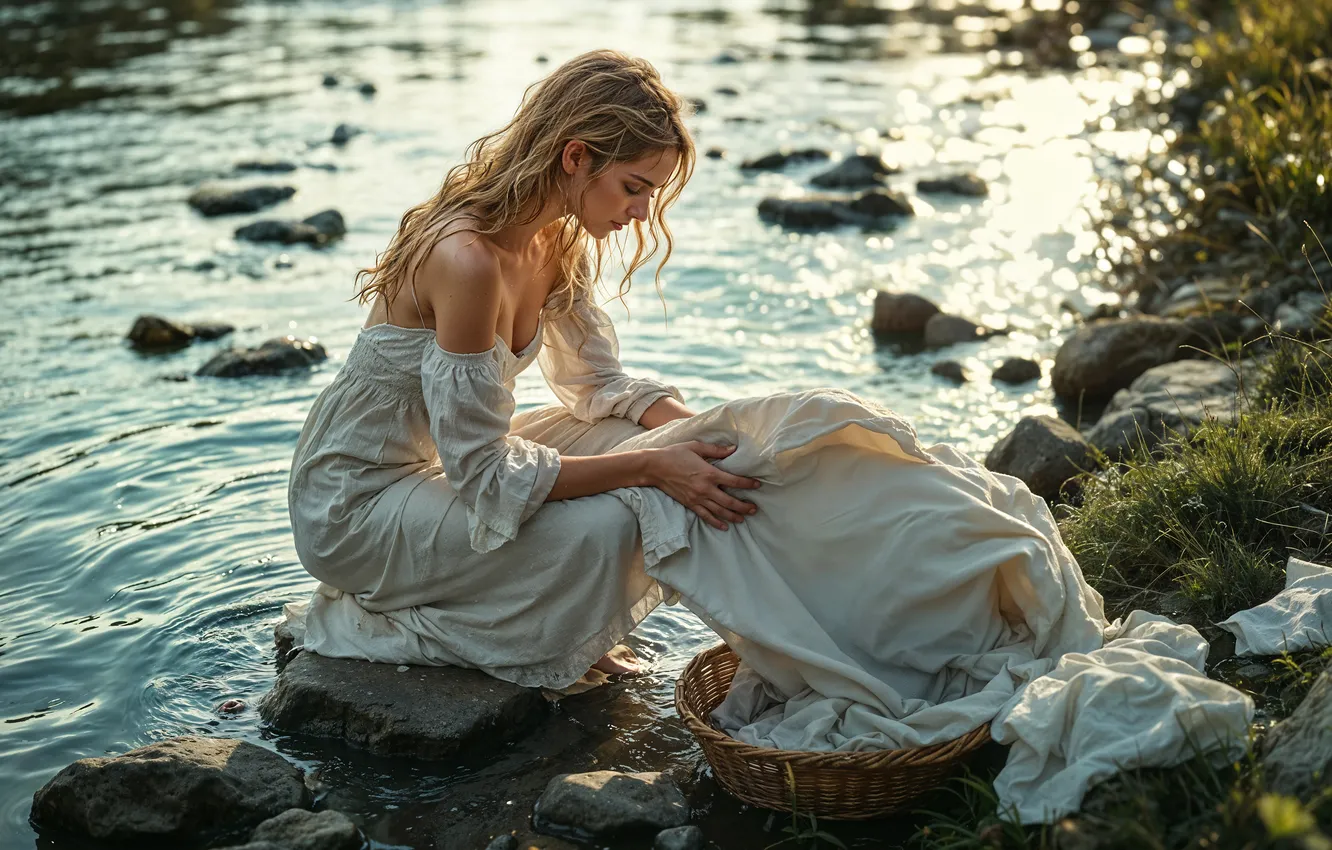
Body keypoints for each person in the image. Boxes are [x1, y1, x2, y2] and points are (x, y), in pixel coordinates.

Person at [288, 49, 759, 688]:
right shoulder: (467, 259)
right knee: (615, 517)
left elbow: (595, 386)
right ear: (576, 157)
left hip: (439, 468)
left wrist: (710, 442)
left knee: (648, 448)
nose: (642, 213)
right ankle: (471, 625)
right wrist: (654, 465)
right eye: (633, 186)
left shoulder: (554, 241)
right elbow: (483, 472)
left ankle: (554, 624)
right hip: (354, 505)